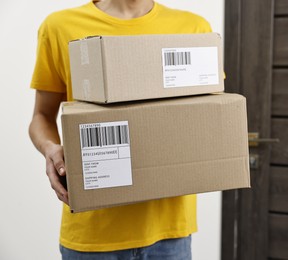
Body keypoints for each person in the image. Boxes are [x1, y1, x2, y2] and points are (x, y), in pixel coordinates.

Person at [28, 0, 212, 259]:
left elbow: (208, 113)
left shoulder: (193, 27)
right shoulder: (60, 26)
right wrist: (50, 148)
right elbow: (41, 115)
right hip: (92, 234)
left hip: (170, 234)